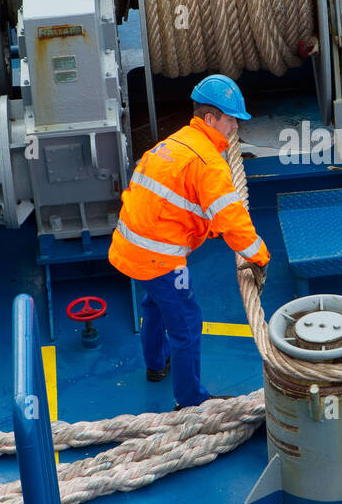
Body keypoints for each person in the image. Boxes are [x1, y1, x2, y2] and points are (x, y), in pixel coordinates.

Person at [108, 74, 270, 409]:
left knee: (153, 305)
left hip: (130, 248)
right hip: (160, 259)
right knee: (186, 324)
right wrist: (259, 256)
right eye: (230, 120)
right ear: (210, 118)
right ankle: (191, 402)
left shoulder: (175, 142)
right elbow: (231, 220)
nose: (234, 128)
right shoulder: (209, 163)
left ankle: (156, 365)